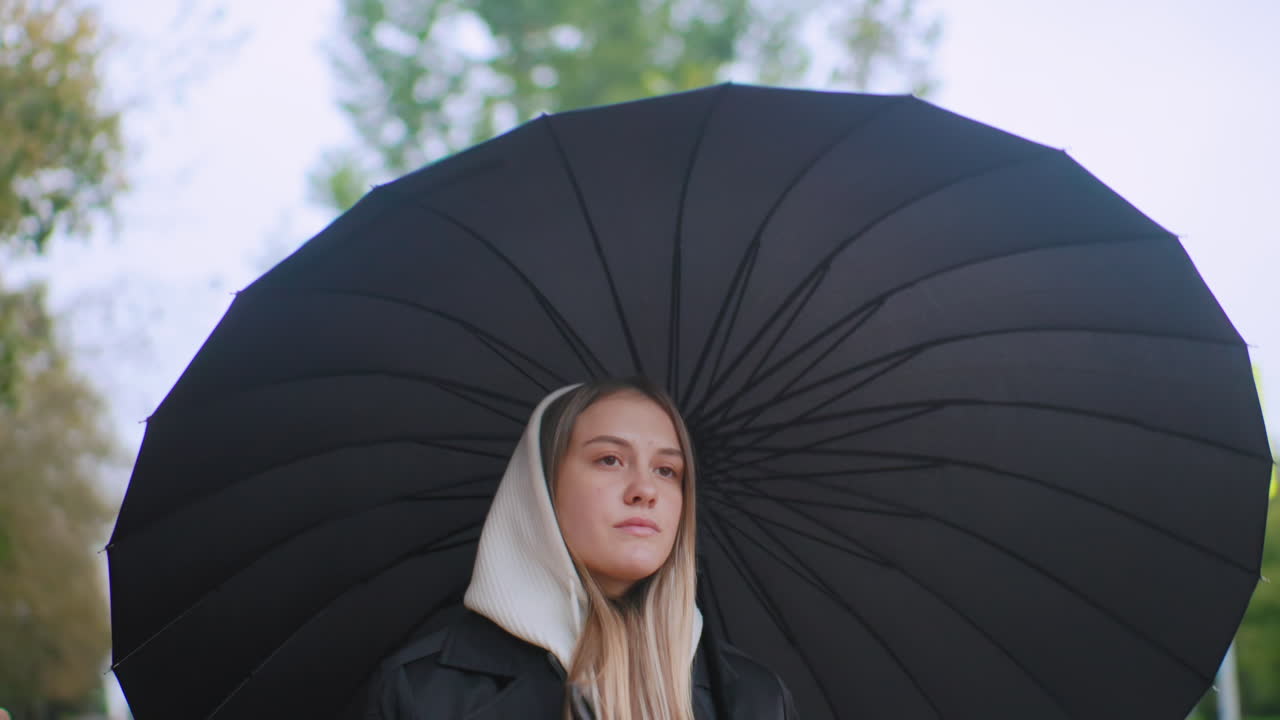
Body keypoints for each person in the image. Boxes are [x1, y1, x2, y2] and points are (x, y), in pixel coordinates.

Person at [356, 377, 796, 719]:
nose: (645, 489)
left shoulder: (755, 699)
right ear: (542, 488)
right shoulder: (423, 690)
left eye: (667, 470)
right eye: (610, 459)